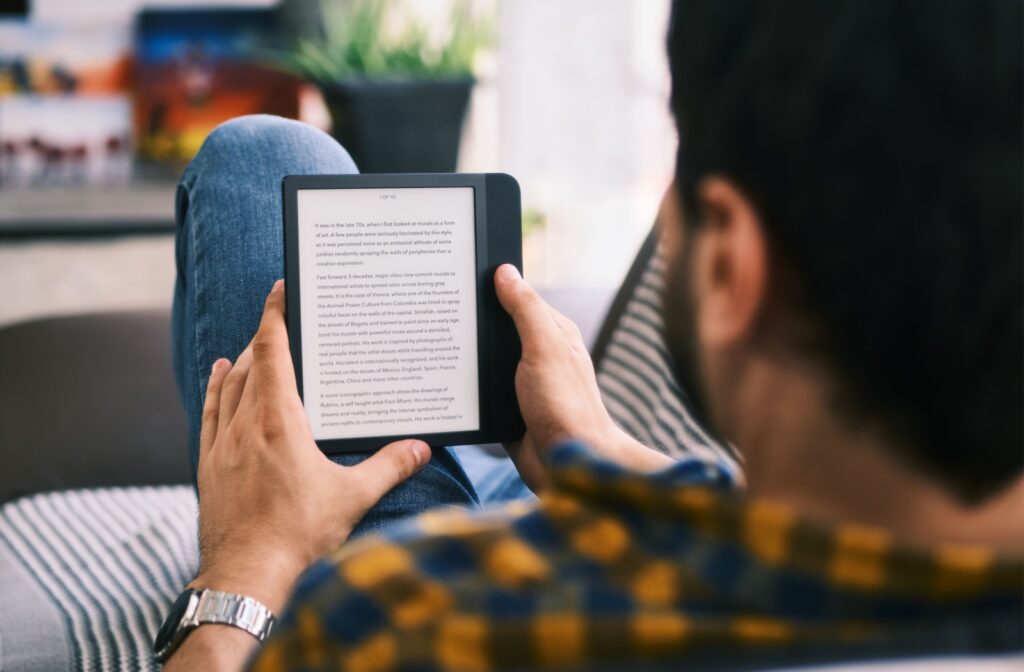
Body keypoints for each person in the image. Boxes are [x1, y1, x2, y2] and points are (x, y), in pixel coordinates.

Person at [163, 0, 1024, 669]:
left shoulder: (399, 621)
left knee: (263, 160)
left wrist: (248, 564)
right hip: (626, 508)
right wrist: (600, 453)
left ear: (731, 270)